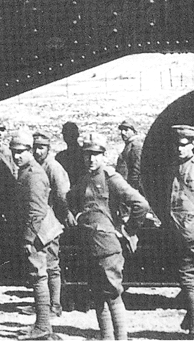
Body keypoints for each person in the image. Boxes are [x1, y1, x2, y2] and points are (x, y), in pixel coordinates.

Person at [143, 125, 194, 340]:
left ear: (192, 144)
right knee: (186, 281)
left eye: (183, 144)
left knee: (188, 280)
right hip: (174, 233)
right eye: (176, 145)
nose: (179, 149)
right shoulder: (173, 167)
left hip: (191, 235)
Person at [68, 133, 150, 340]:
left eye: (96, 154)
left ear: (103, 155)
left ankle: (121, 338)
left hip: (107, 248)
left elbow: (141, 204)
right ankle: (106, 337)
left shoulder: (111, 178)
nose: (91, 159)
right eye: (87, 154)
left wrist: (128, 230)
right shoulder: (84, 179)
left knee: (112, 294)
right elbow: (70, 198)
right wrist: (77, 216)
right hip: (89, 245)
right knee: (97, 294)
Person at [11, 130, 65, 340]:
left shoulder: (33, 175)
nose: (17, 156)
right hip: (46, 229)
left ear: (30, 151)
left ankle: (42, 325)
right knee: (49, 270)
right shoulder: (29, 170)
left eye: (21, 151)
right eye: (14, 152)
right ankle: (48, 315)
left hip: (38, 232)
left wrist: (28, 239)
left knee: (37, 275)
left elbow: (35, 212)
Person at [33, 131, 72, 317]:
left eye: (41, 148)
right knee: (40, 266)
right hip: (39, 222)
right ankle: (42, 304)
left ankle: (55, 306)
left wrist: (64, 215)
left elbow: (63, 195)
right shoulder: (35, 166)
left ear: (48, 149)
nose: (37, 151)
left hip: (51, 222)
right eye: (35, 148)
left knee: (51, 265)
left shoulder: (53, 167)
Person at [114, 120, 143, 192]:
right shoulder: (129, 145)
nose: (122, 132)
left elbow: (136, 171)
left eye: (126, 130)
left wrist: (132, 190)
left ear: (134, 131)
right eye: (121, 130)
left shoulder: (136, 146)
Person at [54, 121, 85, 186]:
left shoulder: (85, 155)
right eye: (67, 134)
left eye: (71, 134)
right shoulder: (60, 157)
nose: (69, 137)